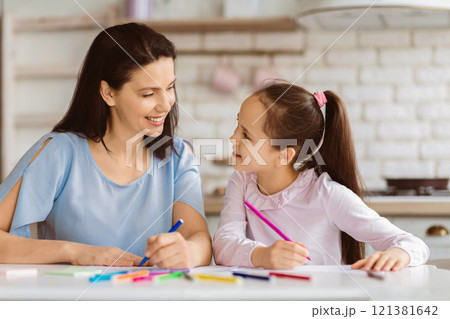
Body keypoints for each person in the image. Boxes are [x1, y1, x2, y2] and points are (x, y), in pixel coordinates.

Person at [0, 23, 212, 268]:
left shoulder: (178, 156)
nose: (166, 104)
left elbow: (200, 239)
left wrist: (189, 252)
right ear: (108, 93)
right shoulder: (58, 153)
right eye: (148, 94)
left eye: (170, 87)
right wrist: (74, 252)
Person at [213, 82, 429, 271]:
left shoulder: (326, 195)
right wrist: (261, 255)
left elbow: (411, 243)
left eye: (246, 135)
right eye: (237, 124)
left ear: (283, 156)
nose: (232, 137)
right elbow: (223, 245)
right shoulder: (242, 181)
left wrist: (400, 254)